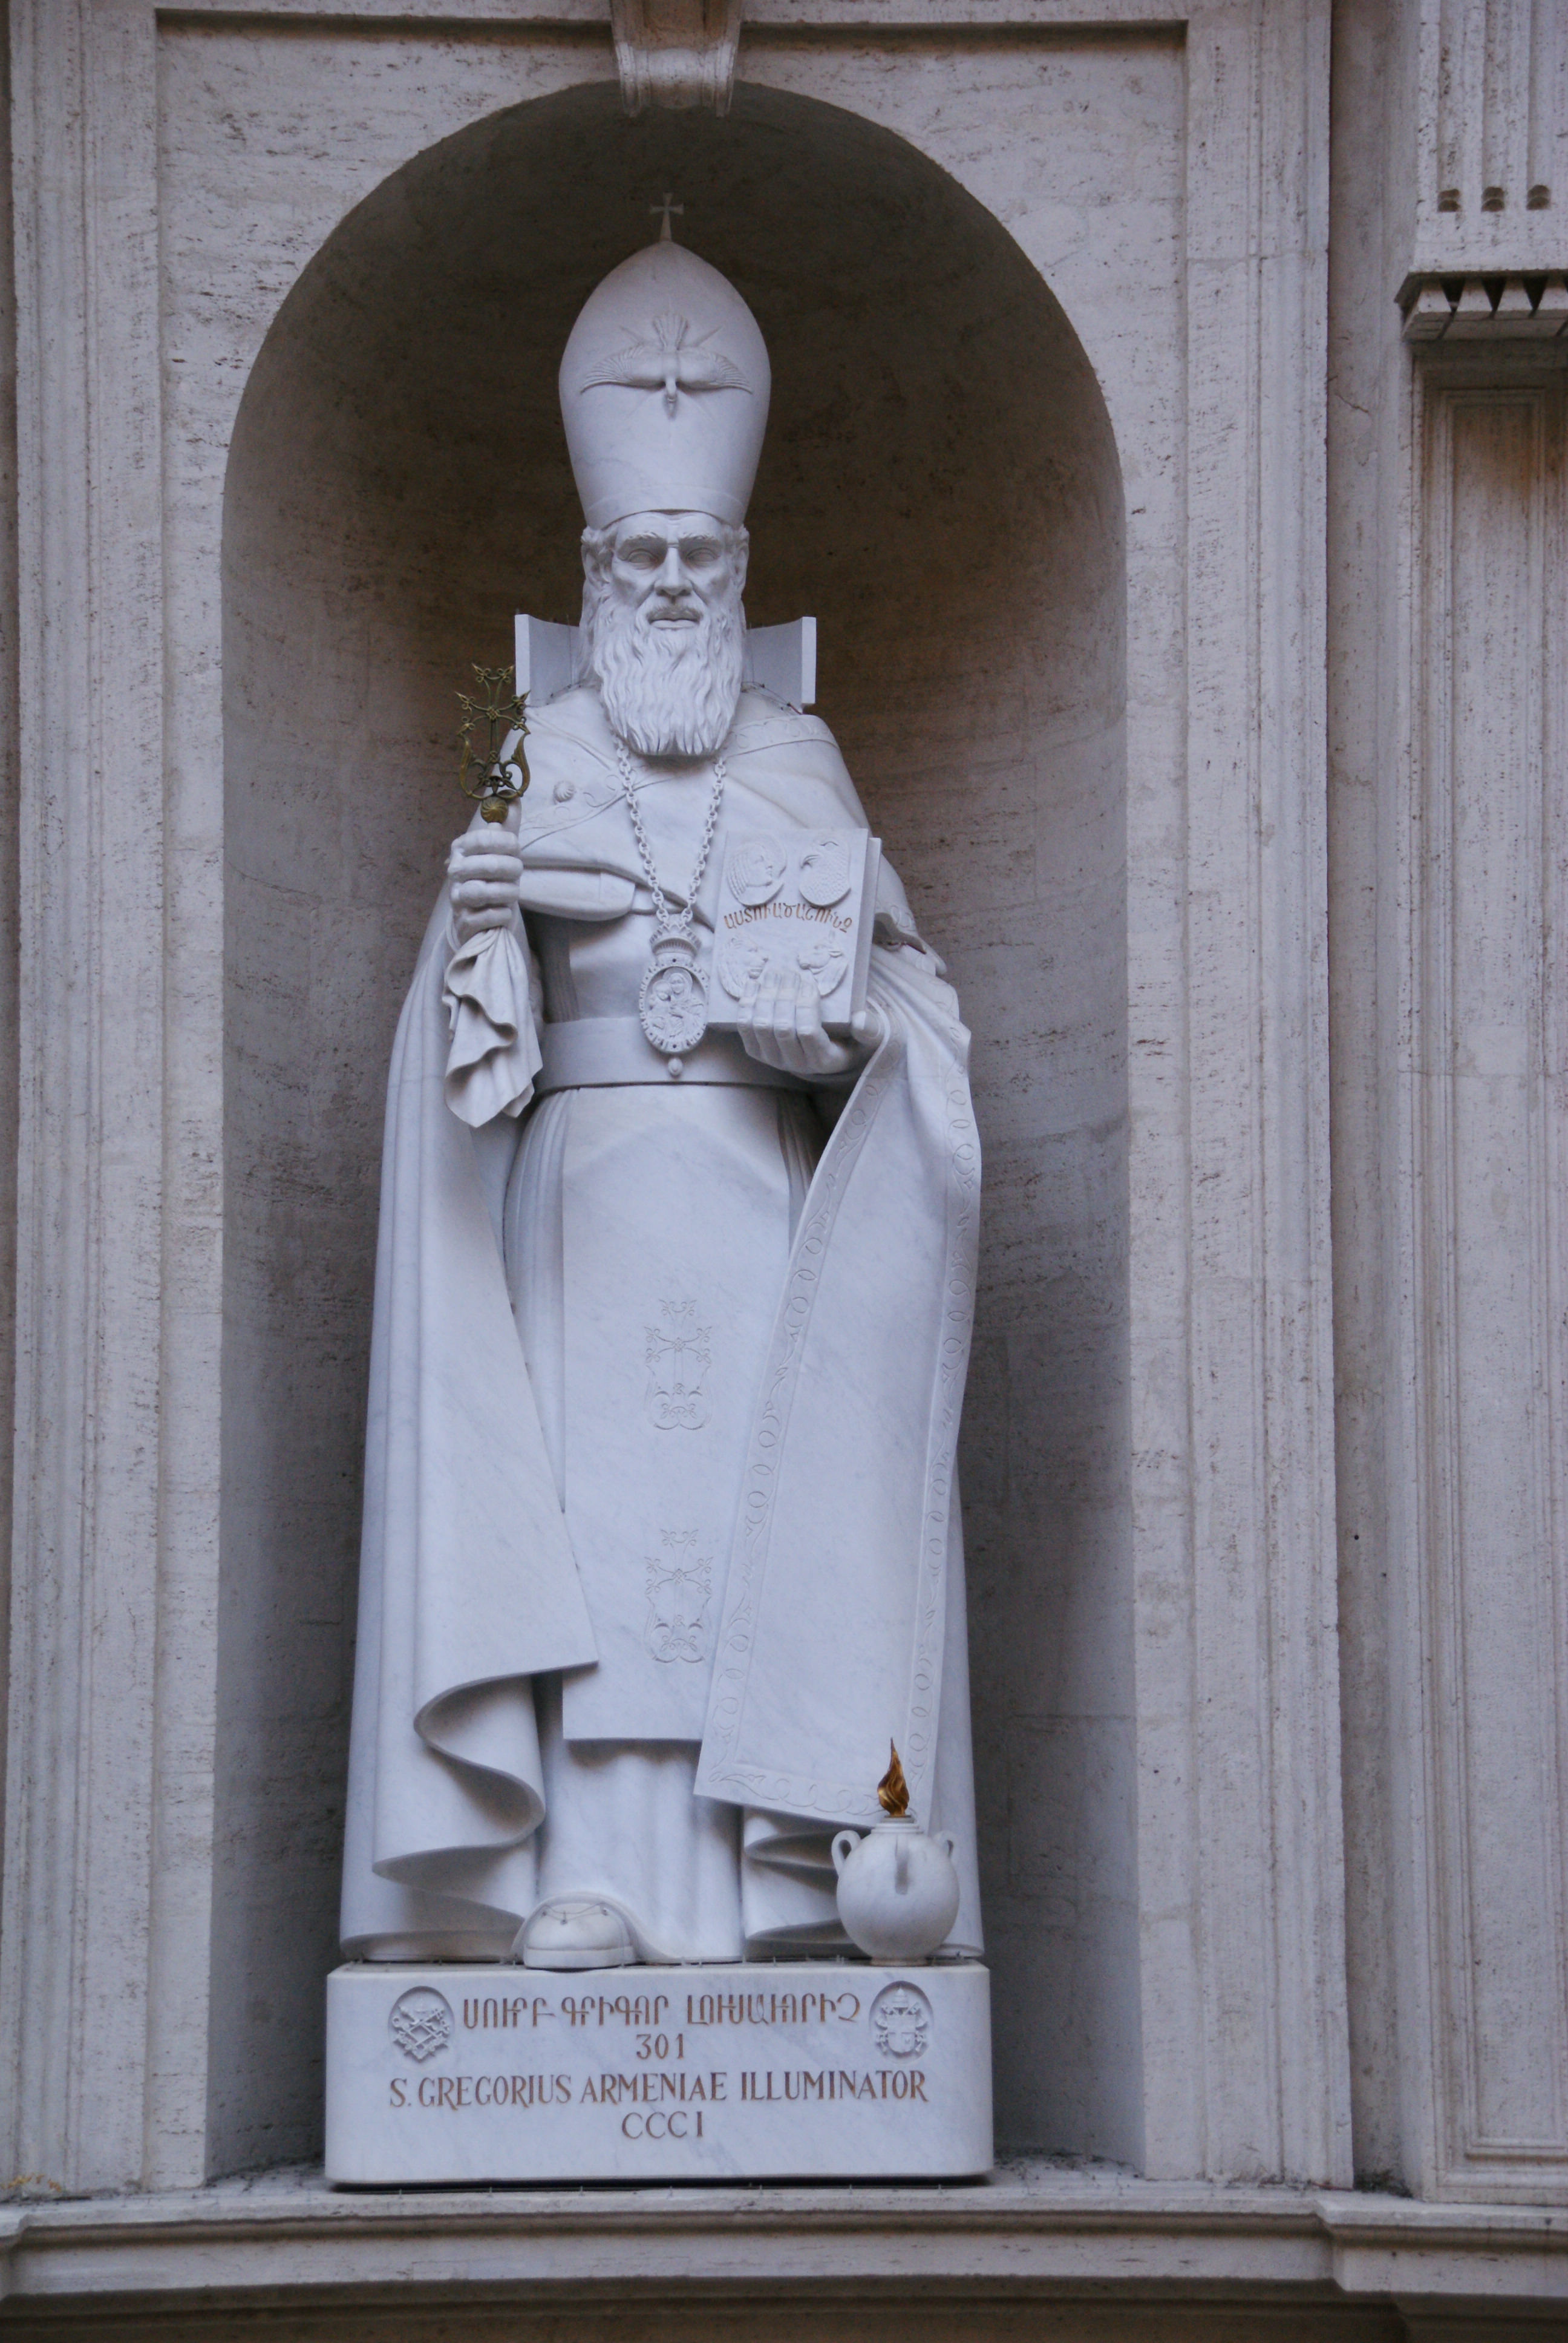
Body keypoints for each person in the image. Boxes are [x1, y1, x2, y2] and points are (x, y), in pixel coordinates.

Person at [341, 224, 983, 1970]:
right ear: (596, 569)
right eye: (646, 552)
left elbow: (908, 1008)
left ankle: (781, 1883)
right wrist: (479, 931)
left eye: (703, 552)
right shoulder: (537, 756)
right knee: (597, 1552)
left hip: (762, 1200)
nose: (678, 578)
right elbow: (466, 1056)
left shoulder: (798, 758)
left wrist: (835, 1022)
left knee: (758, 1540)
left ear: (743, 565)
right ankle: (595, 1879)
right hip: (581, 1210)